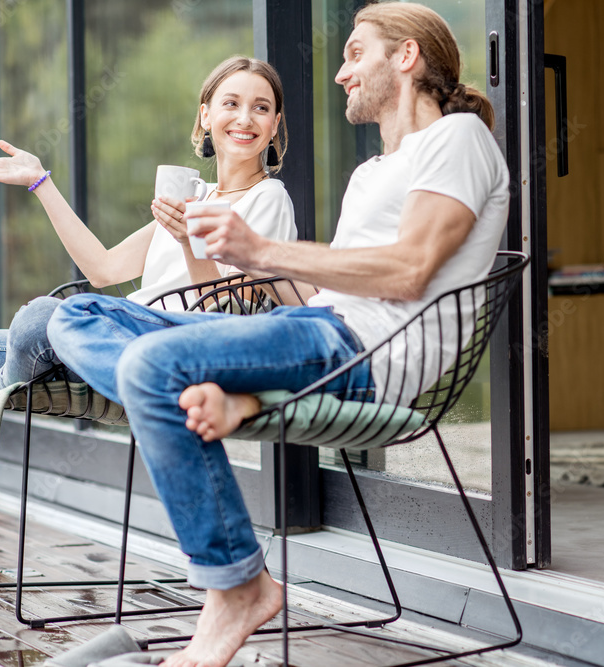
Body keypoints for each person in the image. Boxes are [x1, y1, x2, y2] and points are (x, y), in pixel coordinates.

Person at [48, 4, 510, 666]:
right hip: (311, 328)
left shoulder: (458, 139)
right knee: (75, 316)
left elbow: (409, 271)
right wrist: (236, 260)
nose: (341, 73)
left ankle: (239, 583)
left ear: (405, 58)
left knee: (150, 366)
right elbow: (320, 295)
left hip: (362, 351)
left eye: (355, 53)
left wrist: (261, 251)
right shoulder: (375, 171)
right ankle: (226, 394)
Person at [0, 55, 296, 397]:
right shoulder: (198, 196)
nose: (245, 118)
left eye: (261, 108)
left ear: (274, 123)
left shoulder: (268, 198)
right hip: (112, 338)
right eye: (231, 103)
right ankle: (24, 370)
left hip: (163, 349)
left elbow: (223, 318)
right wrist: (40, 182)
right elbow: (103, 270)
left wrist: (189, 240)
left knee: (40, 317)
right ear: (205, 116)